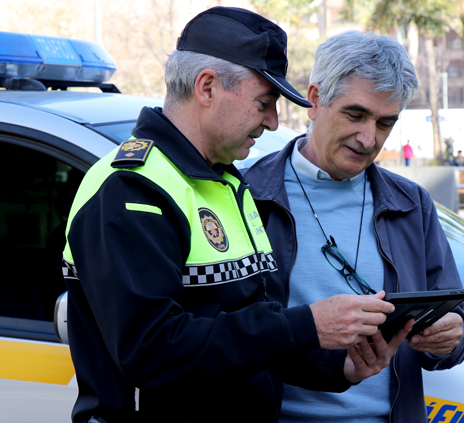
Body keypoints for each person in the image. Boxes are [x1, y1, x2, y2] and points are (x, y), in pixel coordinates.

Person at [61, 8, 398, 423]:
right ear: (207, 87)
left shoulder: (225, 183)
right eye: (264, 103)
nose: (273, 122)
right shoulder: (130, 189)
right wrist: (304, 326)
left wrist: (339, 367)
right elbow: (151, 351)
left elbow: (252, 338)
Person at [244, 30, 464, 423]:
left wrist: (448, 339)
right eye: (355, 115)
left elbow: (455, 323)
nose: (369, 138)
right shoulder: (245, 195)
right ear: (314, 100)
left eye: (385, 123)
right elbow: (224, 336)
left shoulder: (412, 204)